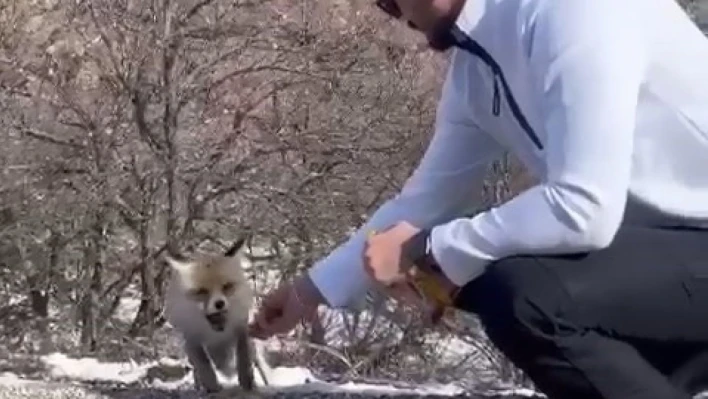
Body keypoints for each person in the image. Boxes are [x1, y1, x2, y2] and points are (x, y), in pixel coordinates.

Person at [249, 0, 708, 398]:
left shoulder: (576, 12)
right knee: (521, 291)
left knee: (526, 295)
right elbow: (422, 203)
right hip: (676, 255)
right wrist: (307, 292)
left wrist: (432, 251)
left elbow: (584, 207)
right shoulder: (475, 71)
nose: (393, 14)